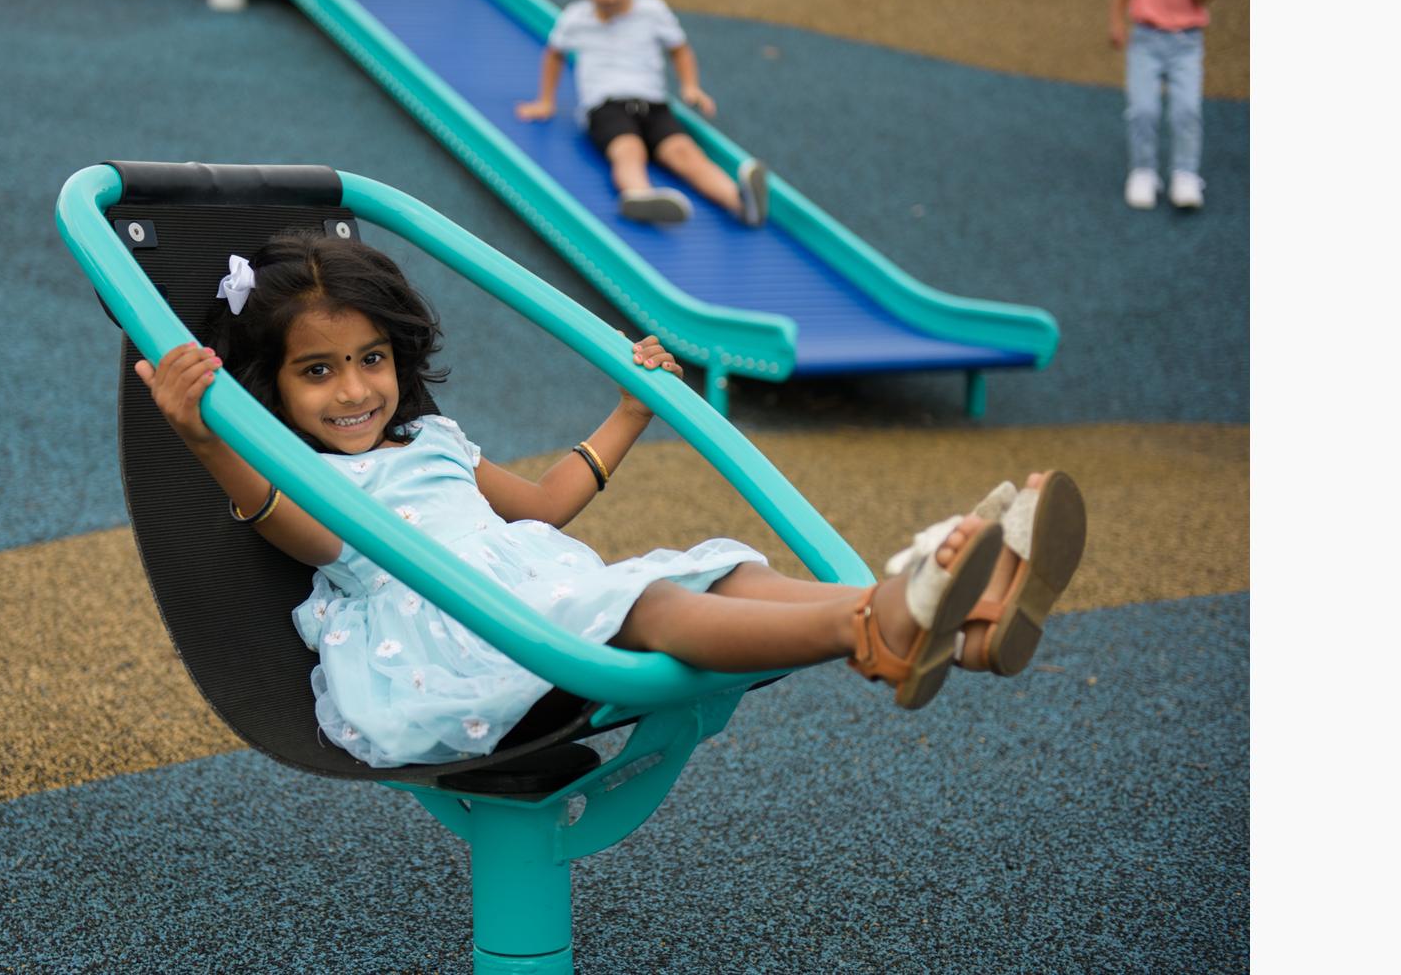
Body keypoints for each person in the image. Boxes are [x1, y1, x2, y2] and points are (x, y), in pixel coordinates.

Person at [134, 232, 1087, 767]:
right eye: (318, 372)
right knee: (662, 607)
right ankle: (875, 626)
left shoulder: (432, 441)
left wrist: (630, 410)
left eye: (372, 360)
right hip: (450, 641)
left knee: (724, 566)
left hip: (536, 591)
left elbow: (542, 507)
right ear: (273, 390)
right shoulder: (306, 484)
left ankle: (959, 621)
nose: (355, 391)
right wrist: (205, 436)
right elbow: (282, 524)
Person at [515, 0, 768, 227]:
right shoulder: (575, 18)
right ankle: (639, 194)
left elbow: (680, 49)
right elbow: (554, 54)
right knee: (628, 148)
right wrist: (545, 100)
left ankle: (739, 202)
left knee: (684, 152)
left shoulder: (652, 10)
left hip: (654, 104)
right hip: (605, 107)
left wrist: (690, 85)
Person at [1109, 0, 1238, 210]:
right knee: (1143, 109)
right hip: (1146, 41)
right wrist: (1117, 22)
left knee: (1186, 110)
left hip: (1186, 46)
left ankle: (1185, 174)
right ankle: (1143, 171)